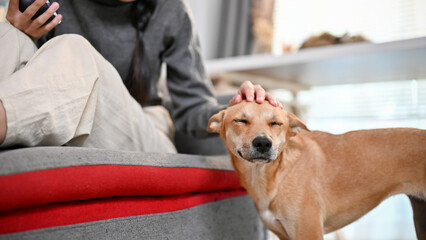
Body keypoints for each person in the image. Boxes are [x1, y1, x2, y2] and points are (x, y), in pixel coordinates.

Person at [0, 0, 281, 153]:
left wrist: (232, 111)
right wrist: (20, 33)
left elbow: (191, 110)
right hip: (63, 122)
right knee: (10, 37)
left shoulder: (171, 10)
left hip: (145, 131)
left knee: (73, 50)